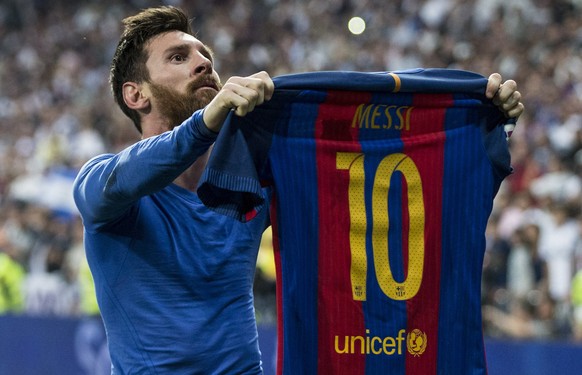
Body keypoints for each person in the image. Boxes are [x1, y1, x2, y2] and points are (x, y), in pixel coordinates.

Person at [72, 5, 524, 374]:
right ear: (136, 95)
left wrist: (471, 115)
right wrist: (207, 125)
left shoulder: (248, 182)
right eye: (178, 57)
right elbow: (130, 173)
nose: (203, 62)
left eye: (203, 54)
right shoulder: (104, 187)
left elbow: (364, 139)